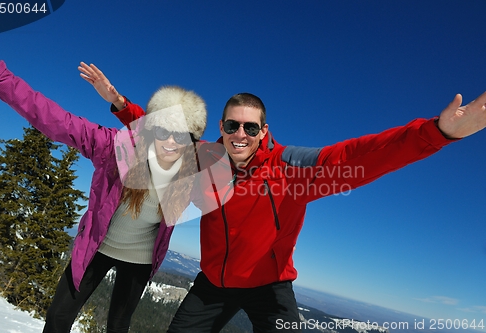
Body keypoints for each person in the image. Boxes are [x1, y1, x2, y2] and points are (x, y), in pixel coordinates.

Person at [82, 62, 486, 332]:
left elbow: (357, 156)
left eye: (250, 128)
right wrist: (119, 104)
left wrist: (437, 133)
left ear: (264, 130)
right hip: (212, 285)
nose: (240, 134)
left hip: (270, 289)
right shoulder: (205, 159)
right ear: (221, 129)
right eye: (231, 125)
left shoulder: (292, 171)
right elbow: (166, 134)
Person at [0, 43, 208, 333]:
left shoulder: (192, 176)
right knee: (58, 318)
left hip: (139, 262)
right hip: (95, 248)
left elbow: (239, 178)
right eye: (163, 129)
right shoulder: (115, 148)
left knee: (118, 326)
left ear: (191, 142)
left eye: (180, 134)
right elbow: (55, 120)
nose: (170, 141)